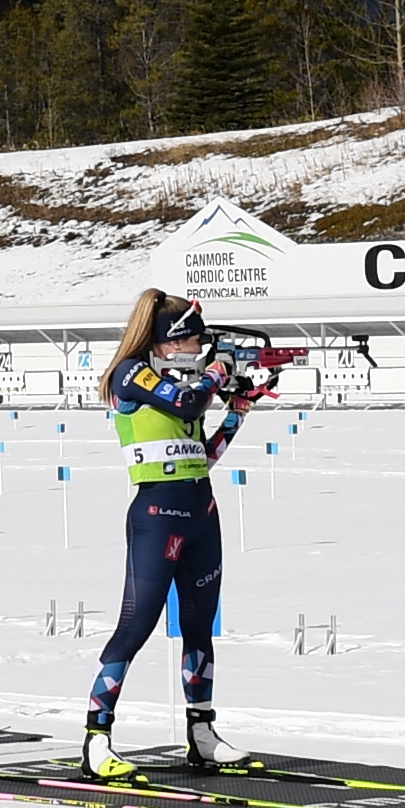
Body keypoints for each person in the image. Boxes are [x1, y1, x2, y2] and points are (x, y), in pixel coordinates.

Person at [80, 288, 256, 780]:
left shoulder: (179, 384)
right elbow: (186, 403)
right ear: (166, 342)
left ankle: (201, 735)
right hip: (157, 514)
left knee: (200, 629)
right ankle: (97, 738)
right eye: (192, 345)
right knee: (135, 627)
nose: (198, 355)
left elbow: (204, 453)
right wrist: (220, 372)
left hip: (201, 509)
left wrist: (239, 409)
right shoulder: (131, 374)